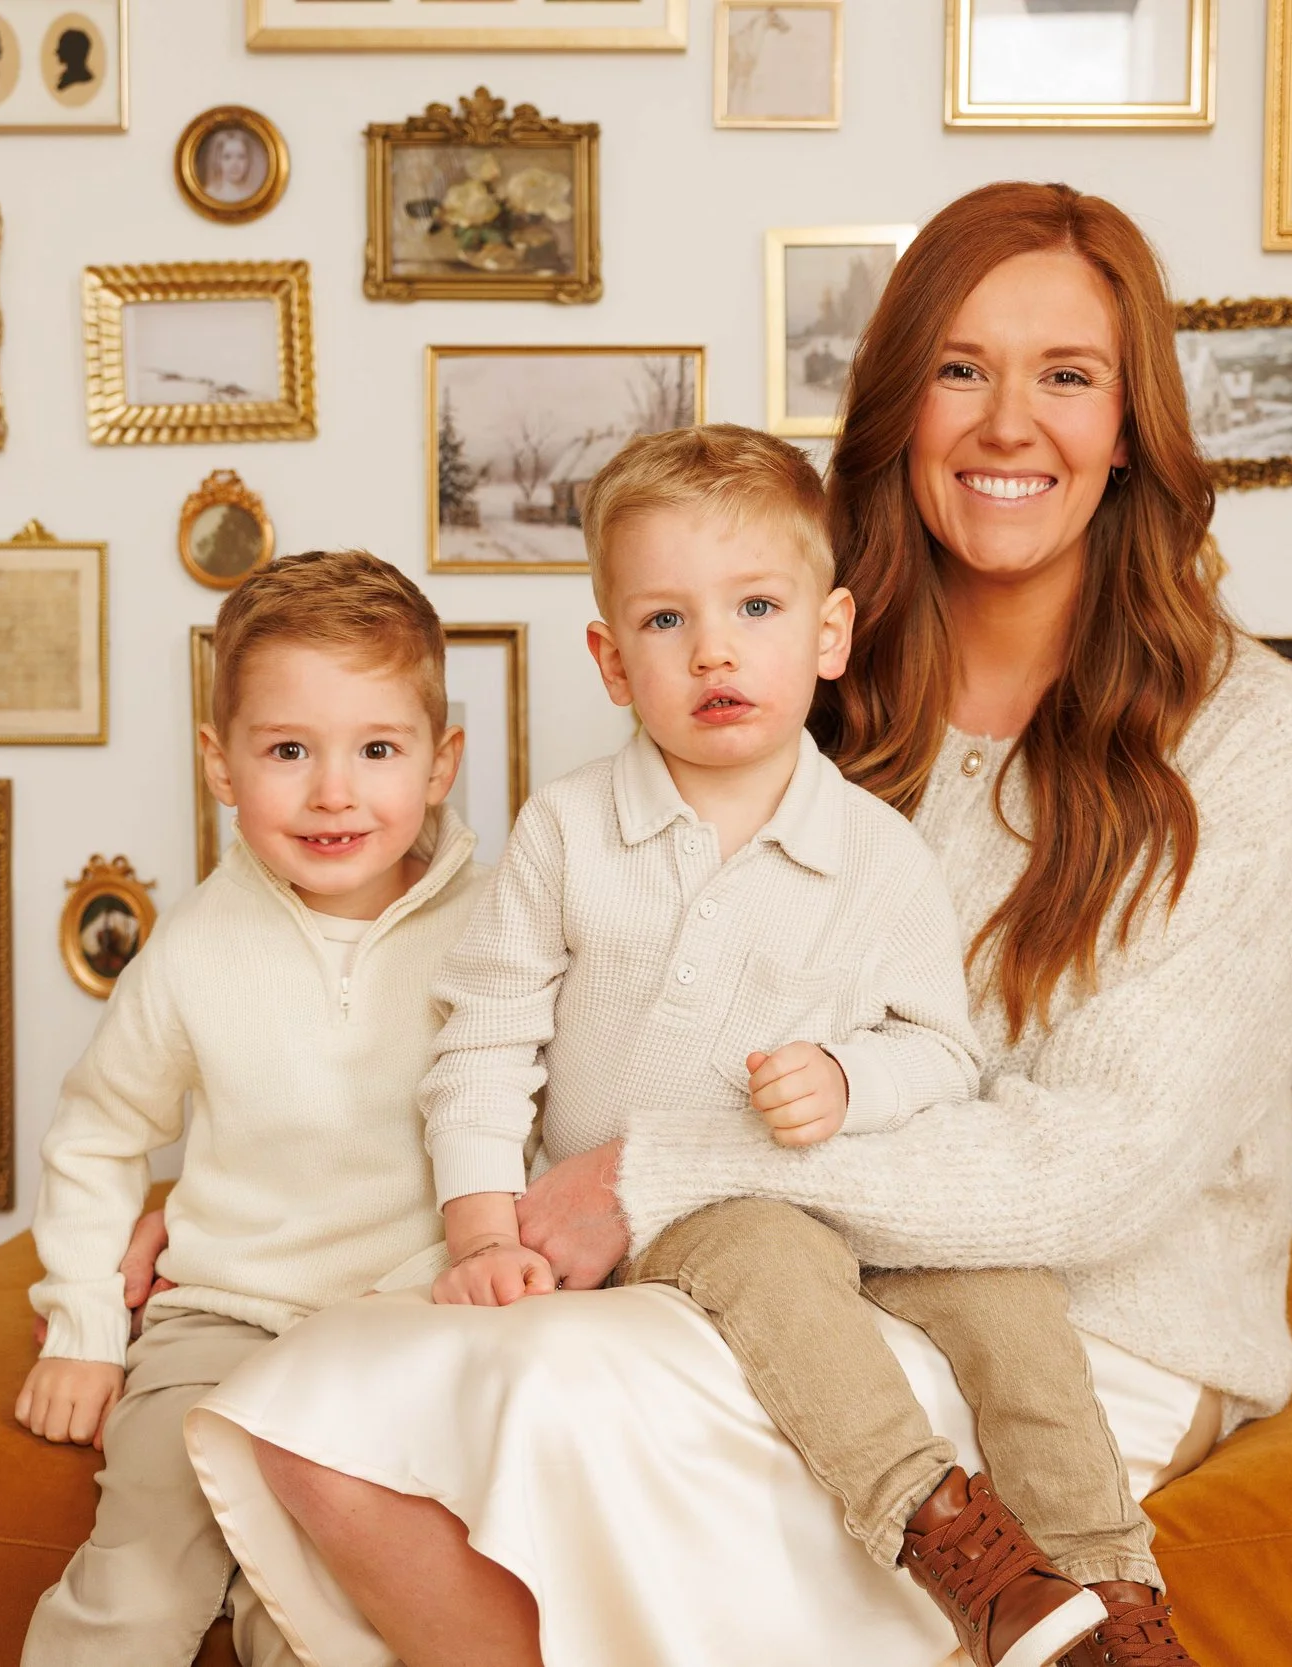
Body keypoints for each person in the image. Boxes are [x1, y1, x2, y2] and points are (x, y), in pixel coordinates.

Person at [181, 180, 1292, 1667]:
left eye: (1067, 375)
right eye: (959, 369)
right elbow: (526, 982)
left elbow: (1099, 1170)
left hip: (1079, 1315)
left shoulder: (1244, 729)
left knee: (525, 1402)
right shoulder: (786, 685)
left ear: (1131, 427)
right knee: (333, 1390)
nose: (1006, 423)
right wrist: (258, 1167)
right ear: (896, 410)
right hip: (781, 1257)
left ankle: (1090, 1611)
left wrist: (653, 1174)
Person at [417, 422, 1175, 1667]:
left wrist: (845, 1077)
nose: (713, 648)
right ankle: (949, 1541)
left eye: (755, 606)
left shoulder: (879, 852)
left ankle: (1111, 1596)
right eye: (665, 621)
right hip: (681, 1213)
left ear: (827, 635)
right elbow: (484, 1042)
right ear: (611, 660)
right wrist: (485, 1232)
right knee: (767, 1247)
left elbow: (938, 1053)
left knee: (1011, 1296)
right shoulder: (565, 832)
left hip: (857, 1194)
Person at [13, 551, 487, 1667]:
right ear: (220, 765)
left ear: (439, 763)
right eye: (288, 750)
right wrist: (83, 1323)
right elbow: (97, 1131)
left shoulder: (500, 928)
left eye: (377, 748)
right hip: (218, 1318)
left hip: (401, 1326)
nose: (333, 791)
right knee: (134, 1577)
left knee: (320, 1613)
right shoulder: (191, 952)